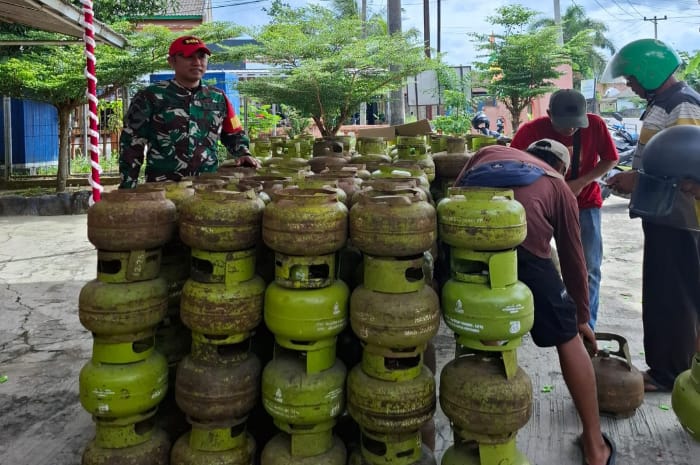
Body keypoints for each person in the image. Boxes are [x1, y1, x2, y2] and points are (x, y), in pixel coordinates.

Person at [454, 140, 615, 465]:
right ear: (561, 168)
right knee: (567, 338)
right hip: (522, 249)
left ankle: (469, 433)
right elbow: (573, 259)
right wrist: (581, 318)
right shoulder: (558, 185)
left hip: (463, 246)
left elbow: (455, 194)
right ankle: (595, 447)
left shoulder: (489, 152)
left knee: (477, 328)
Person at [603, 38, 700, 392]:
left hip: (681, 218)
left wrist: (638, 180)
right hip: (664, 216)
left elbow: (688, 168)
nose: (629, 84)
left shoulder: (682, 104)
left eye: (631, 78)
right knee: (662, 293)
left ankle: (670, 372)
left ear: (649, 71)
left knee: (674, 296)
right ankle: (669, 366)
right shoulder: (661, 103)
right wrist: (634, 177)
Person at [510, 89, 619, 330]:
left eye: (576, 124)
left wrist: (581, 183)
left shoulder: (596, 125)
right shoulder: (530, 131)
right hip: (542, 208)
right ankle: (539, 320)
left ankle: (586, 326)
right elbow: (513, 163)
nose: (570, 129)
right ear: (549, 114)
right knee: (535, 263)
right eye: (564, 124)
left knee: (589, 267)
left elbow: (611, 159)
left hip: (585, 205)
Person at [118, 35, 260, 188]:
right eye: (188, 57)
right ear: (172, 61)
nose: (197, 62)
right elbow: (132, 143)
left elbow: (234, 133)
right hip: (163, 187)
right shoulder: (150, 96)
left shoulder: (217, 97)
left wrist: (243, 153)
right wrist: (128, 185)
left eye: (201, 57)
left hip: (208, 186)